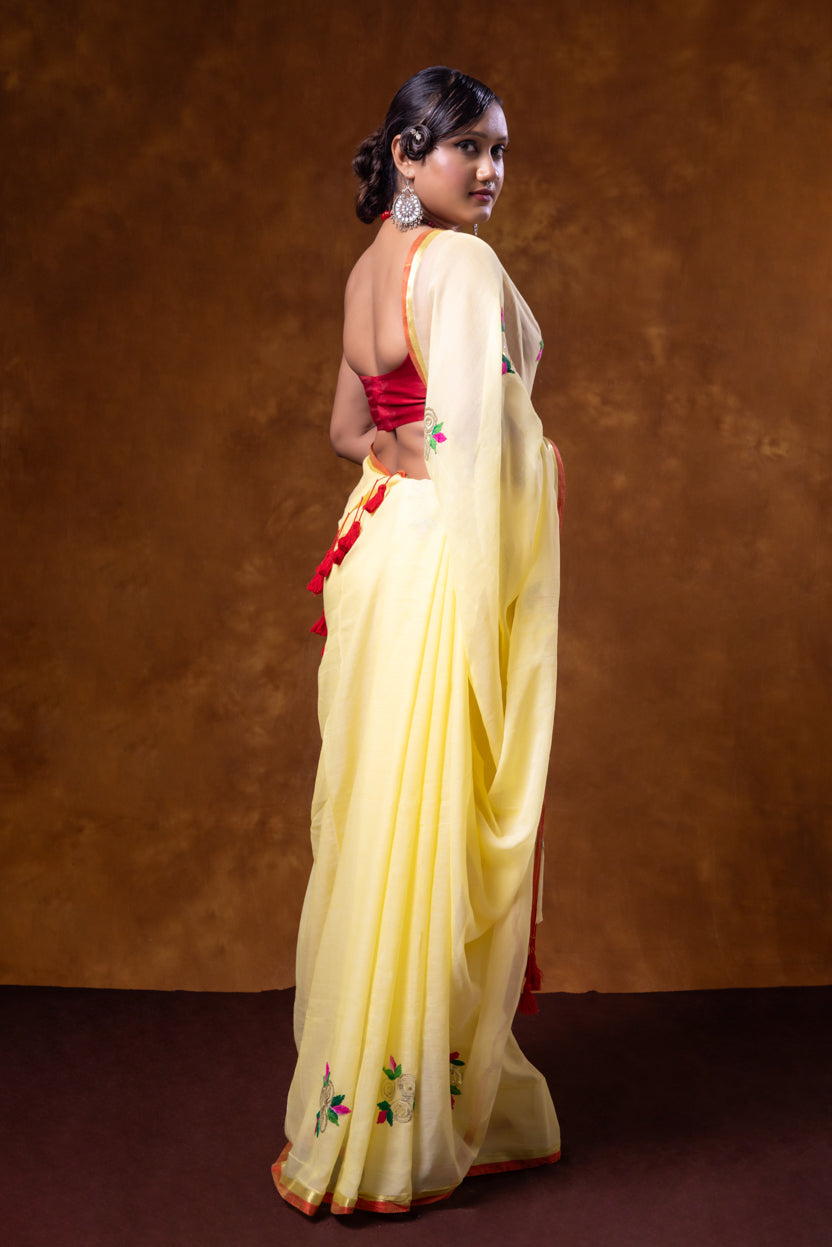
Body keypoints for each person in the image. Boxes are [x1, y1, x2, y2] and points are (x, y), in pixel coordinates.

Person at [273, 66, 563, 1216]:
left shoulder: (367, 270)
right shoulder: (462, 264)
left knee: (384, 810)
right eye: (466, 150)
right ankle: (410, 1125)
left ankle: (368, 1104)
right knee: (429, 814)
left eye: (499, 151)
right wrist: (532, 473)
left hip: (379, 553)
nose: (488, 171)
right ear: (406, 152)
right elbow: (483, 449)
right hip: (443, 561)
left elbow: (354, 427)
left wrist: (404, 466)